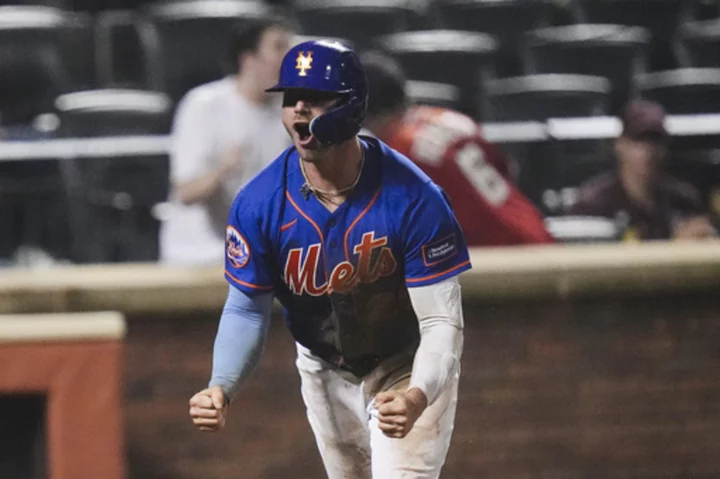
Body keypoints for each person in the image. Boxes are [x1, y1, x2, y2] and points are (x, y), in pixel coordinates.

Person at [188, 40, 472, 478]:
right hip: (324, 365)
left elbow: (441, 321)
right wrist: (221, 384)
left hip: (405, 361)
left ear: (354, 107)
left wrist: (418, 393)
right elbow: (246, 305)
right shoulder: (260, 203)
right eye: (290, 99)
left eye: (317, 99)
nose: (299, 110)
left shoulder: (414, 196)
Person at [359, 51, 554, 247]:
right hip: (538, 237)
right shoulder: (451, 120)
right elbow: (506, 171)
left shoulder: (398, 154)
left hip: (499, 261)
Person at [159, 15, 294, 265]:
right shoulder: (205, 105)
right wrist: (222, 171)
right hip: (200, 255)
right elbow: (186, 192)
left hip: (260, 259)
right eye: (278, 47)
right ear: (248, 59)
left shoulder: (289, 115)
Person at [570, 99, 717, 241]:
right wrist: (674, 247)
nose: (648, 151)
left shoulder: (684, 201)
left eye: (654, 141)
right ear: (619, 145)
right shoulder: (592, 206)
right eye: (638, 141)